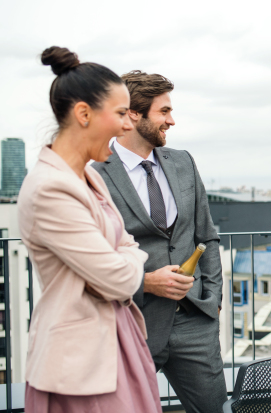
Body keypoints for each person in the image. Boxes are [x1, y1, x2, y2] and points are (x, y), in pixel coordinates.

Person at [18, 46, 161, 412]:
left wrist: (123, 255)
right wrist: (127, 259)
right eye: (119, 114)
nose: (128, 125)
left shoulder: (86, 178)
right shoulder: (50, 187)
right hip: (80, 365)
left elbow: (128, 246)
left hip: (115, 345)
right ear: (84, 114)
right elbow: (119, 277)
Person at [92, 70, 227, 412]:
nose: (172, 120)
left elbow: (206, 234)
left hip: (195, 321)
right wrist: (146, 283)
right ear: (134, 114)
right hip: (134, 323)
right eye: (164, 111)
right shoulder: (95, 175)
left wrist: (214, 298)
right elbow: (96, 259)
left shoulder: (182, 162)